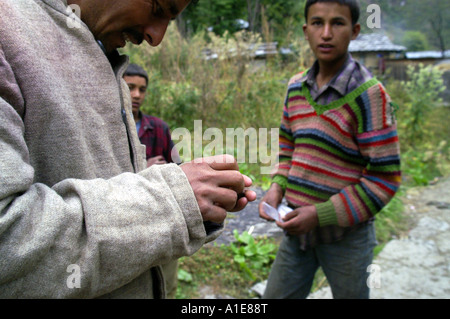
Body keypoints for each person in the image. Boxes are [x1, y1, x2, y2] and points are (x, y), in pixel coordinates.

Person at [0, 0, 256, 298]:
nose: (156, 38)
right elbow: (9, 244)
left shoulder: (102, 51)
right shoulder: (9, 30)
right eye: (159, 9)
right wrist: (172, 200)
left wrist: (197, 200)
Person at [259, 0, 401, 299]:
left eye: (337, 23)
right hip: (296, 232)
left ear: (355, 31)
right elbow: (288, 147)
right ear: (305, 30)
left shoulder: (369, 95)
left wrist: (320, 214)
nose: (326, 33)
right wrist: (278, 186)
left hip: (347, 239)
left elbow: (385, 179)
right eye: (317, 23)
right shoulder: (296, 87)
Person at [124, 63, 180, 298]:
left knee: (166, 285)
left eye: (142, 89)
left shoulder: (159, 128)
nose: (137, 95)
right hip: (125, 222)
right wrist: (142, 169)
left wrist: (167, 171)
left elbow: (178, 169)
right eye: (130, 87)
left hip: (160, 219)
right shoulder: (106, 127)